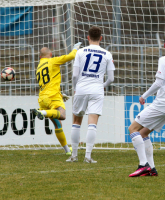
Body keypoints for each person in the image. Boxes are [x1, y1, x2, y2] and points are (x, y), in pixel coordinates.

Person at [128, 33, 165, 177]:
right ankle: (152, 169)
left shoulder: (164, 60)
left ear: (164, 45)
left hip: (162, 103)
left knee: (133, 128)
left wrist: (144, 96)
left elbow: (159, 82)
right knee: (143, 133)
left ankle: (143, 165)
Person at [66, 26, 115, 163]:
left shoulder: (80, 52)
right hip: (97, 90)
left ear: (88, 38)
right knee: (92, 123)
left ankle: (74, 156)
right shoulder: (107, 54)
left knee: (76, 122)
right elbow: (111, 78)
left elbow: (75, 75)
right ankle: (87, 156)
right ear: (101, 38)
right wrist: (103, 86)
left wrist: (76, 88)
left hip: (81, 88)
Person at [31, 43, 82, 155]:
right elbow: (71, 56)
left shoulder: (39, 67)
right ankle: (42, 113)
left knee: (58, 125)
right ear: (51, 54)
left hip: (42, 98)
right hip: (52, 97)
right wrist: (75, 48)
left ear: (40, 57)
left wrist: (60, 94)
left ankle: (67, 150)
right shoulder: (53, 60)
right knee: (62, 115)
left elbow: (48, 83)